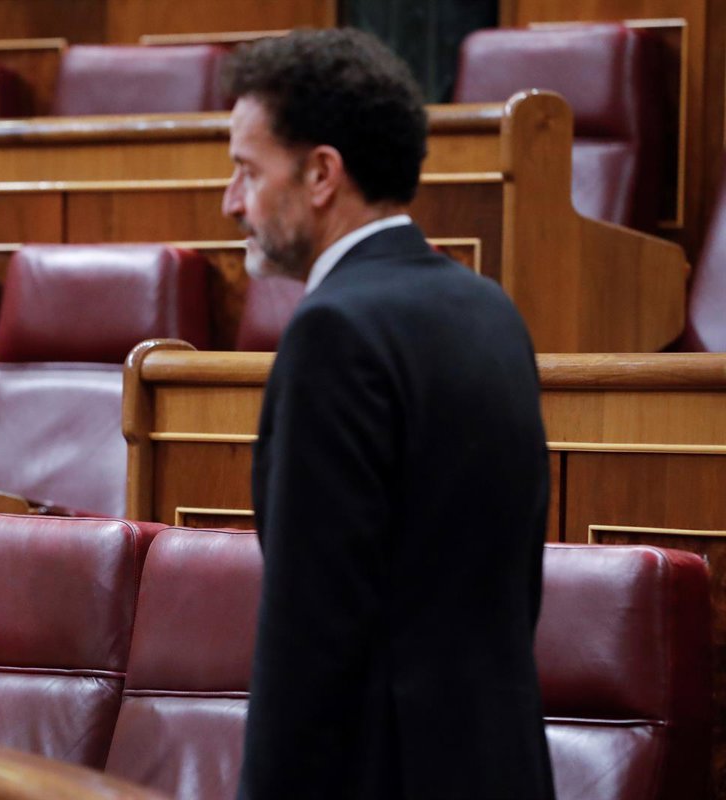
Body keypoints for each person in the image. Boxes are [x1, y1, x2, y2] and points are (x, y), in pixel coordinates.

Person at [222, 29, 555, 798]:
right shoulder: (489, 308)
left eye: (248, 170)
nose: (231, 200)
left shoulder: (332, 332)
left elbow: (310, 636)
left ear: (321, 174)